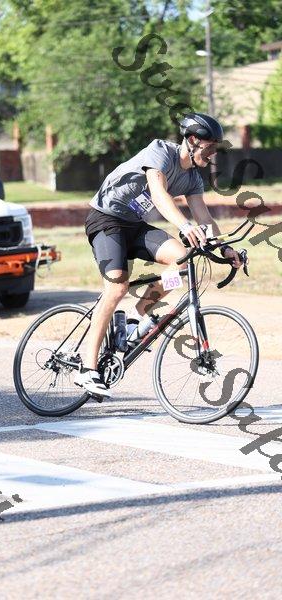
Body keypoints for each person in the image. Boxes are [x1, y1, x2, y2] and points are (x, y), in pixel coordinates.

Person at [74, 112, 243, 397]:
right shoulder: (160, 151)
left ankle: (135, 317)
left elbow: (204, 217)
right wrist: (185, 226)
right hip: (105, 219)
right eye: (210, 148)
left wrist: (224, 248)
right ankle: (87, 368)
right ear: (193, 141)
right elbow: (159, 194)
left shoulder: (192, 179)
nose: (214, 154)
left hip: (133, 225)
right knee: (117, 288)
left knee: (181, 262)